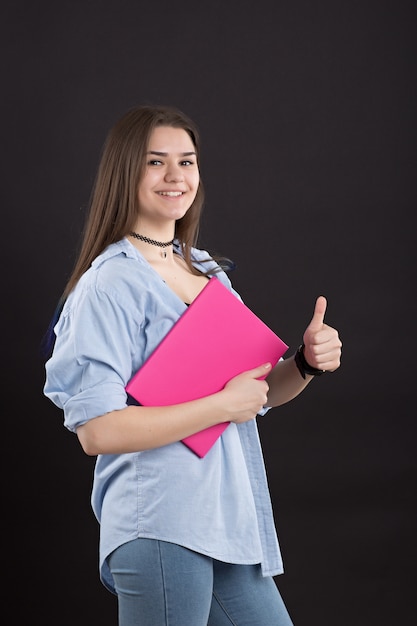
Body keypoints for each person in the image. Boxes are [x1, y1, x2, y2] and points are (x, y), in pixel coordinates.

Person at [43, 104, 342, 626]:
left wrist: (305, 363)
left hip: (227, 521)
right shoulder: (109, 284)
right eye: (156, 162)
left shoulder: (205, 270)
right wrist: (221, 404)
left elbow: (258, 393)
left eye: (187, 161)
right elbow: (97, 430)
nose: (175, 176)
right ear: (125, 172)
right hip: (159, 521)